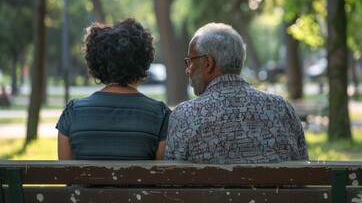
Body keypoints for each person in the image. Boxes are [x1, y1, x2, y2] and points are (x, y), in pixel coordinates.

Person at [164, 22, 308, 163]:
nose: (187, 70)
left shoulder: (184, 116)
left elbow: (172, 180)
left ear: (208, 63)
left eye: (190, 61)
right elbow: (303, 168)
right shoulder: (281, 108)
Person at [56, 18, 170, 160]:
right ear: (143, 63)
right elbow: (160, 176)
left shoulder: (72, 112)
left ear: (96, 64)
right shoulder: (160, 115)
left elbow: (67, 174)